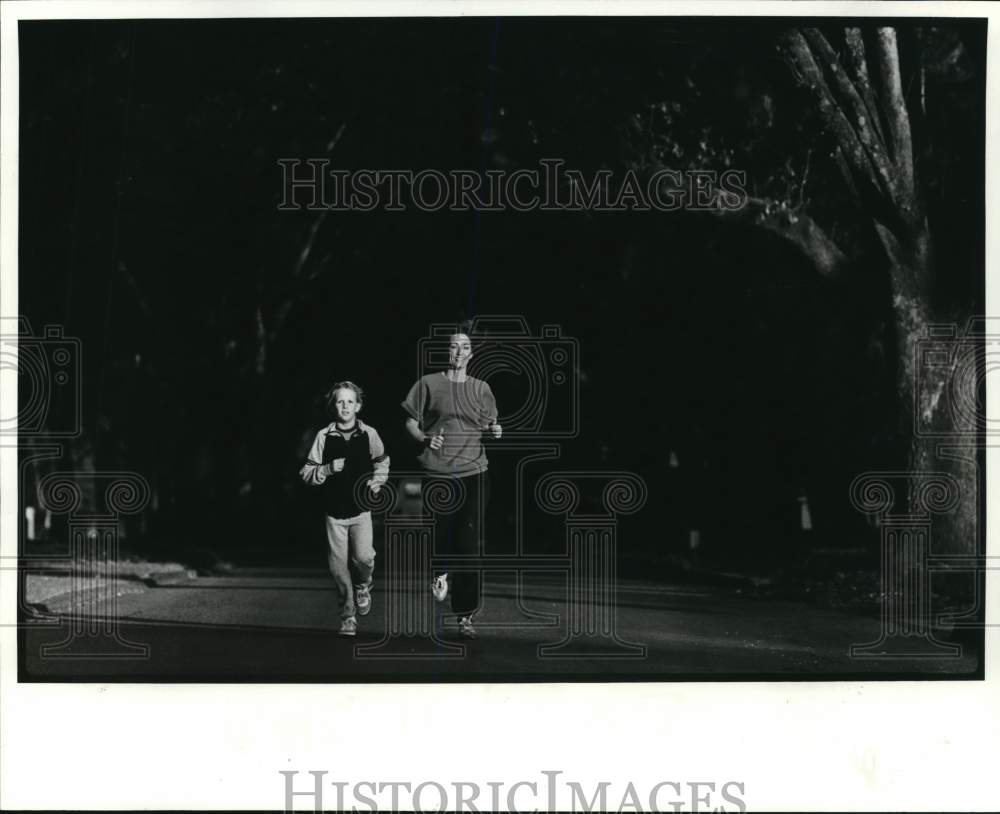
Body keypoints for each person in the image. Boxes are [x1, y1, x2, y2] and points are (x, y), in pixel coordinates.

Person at [402, 327, 501, 639]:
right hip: (437, 472)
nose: (459, 352)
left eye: (464, 347)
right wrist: (424, 437)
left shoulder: (481, 388)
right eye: (454, 347)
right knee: (442, 534)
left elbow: (489, 423)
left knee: (469, 544)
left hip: (474, 471)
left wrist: (495, 431)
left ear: (471, 354)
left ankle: (465, 616)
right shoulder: (428, 384)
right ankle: (439, 570)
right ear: (447, 352)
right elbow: (410, 421)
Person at [300, 381, 390, 637]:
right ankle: (348, 617)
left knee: (364, 558)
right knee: (338, 568)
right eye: (340, 401)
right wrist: (327, 469)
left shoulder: (369, 434)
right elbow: (306, 472)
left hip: (361, 510)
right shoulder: (323, 436)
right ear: (333, 406)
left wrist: (377, 481)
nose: (345, 406)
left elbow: (382, 461)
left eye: (350, 401)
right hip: (333, 513)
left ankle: (364, 585)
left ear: (358, 406)